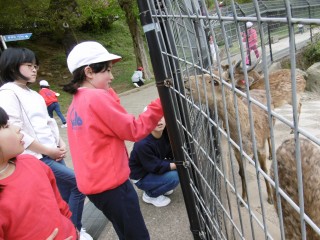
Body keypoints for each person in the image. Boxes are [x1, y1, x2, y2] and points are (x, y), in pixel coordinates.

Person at [63, 41, 164, 240]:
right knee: (137, 235)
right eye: (107, 71)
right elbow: (134, 129)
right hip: (112, 185)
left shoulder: (76, 102)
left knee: (124, 231)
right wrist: (162, 101)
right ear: (89, 72)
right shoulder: (96, 99)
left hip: (95, 186)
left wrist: (108, 92)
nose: (112, 76)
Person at [0, 47, 92, 240]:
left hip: (52, 151)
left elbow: (49, 121)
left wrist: (59, 142)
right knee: (78, 185)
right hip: (37, 156)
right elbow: (16, 130)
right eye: (28, 65)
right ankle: (75, 228)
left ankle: (66, 227)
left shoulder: (33, 94)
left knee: (62, 193)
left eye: (35, 66)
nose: (34, 69)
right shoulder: (8, 93)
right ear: (12, 66)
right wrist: (47, 151)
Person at [0, 107, 77, 240]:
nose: (17, 128)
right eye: (6, 126)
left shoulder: (32, 163)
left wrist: (72, 226)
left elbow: (58, 202)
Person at [129, 116, 179, 207]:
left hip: (151, 167)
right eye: (153, 118)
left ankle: (160, 185)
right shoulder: (142, 143)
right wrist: (177, 164)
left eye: (161, 117)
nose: (158, 120)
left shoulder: (165, 133)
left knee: (178, 167)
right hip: (141, 177)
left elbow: (169, 152)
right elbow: (154, 167)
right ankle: (150, 195)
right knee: (175, 177)